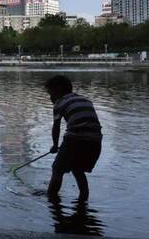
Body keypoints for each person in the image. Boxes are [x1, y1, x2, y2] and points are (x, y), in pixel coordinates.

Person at [46, 75, 102, 203]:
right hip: (96, 141)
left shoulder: (60, 103)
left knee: (57, 169)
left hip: (75, 139)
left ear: (58, 90)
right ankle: (83, 201)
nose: (50, 98)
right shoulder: (85, 99)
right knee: (78, 170)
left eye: (50, 93)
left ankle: (52, 201)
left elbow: (56, 127)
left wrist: (55, 146)